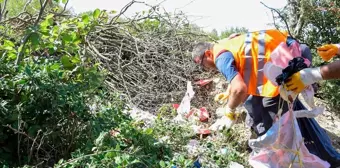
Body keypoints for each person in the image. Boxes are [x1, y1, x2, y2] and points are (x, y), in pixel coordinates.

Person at [191, 29, 313, 136]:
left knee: (269, 107)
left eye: (202, 64)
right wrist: (229, 90)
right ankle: (265, 139)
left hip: (292, 59)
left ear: (208, 54)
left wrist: (229, 110)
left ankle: (277, 150)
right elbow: (241, 63)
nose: (205, 68)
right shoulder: (221, 45)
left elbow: (240, 89)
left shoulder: (220, 58)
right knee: (254, 104)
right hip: (286, 53)